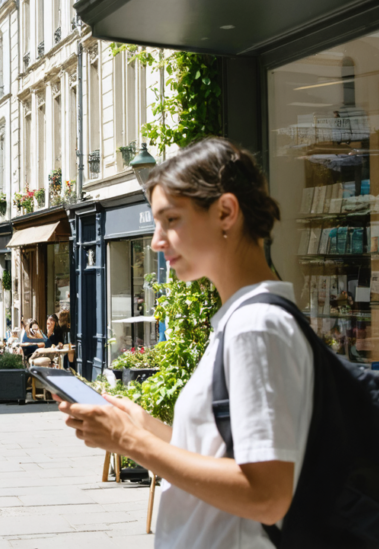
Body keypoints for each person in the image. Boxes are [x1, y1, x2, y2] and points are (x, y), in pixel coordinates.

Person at [59, 138, 309, 549]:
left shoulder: (255, 327)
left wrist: (129, 440)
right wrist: (145, 429)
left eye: (170, 220)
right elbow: (223, 456)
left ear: (226, 212)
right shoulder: (245, 321)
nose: (157, 241)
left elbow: (267, 496)